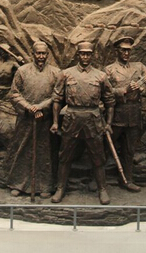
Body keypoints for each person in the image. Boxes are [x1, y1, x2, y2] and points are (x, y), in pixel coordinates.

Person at [50, 41, 115, 205]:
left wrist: (108, 123)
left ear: (92, 55)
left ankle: (102, 189)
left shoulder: (101, 76)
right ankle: (60, 188)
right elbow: (57, 100)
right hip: (72, 118)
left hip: (93, 119)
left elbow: (110, 101)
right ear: (78, 55)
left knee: (98, 156)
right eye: (82, 53)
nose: (85, 56)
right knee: (65, 156)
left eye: (88, 54)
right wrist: (55, 122)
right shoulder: (66, 74)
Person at [4, 42, 60, 198]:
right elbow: (14, 94)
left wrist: (41, 107)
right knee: (23, 149)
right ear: (33, 54)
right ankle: (18, 184)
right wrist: (28, 107)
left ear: (47, 55)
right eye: (38, 53)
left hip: (45, 119)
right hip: (26, 119)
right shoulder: (22, 71)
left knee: (45, 152)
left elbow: (57, 96)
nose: (41, 56)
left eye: (43, 53)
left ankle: (45, 186)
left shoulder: (55, 73)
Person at [104, 37, 146, 192]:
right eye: (123, 50)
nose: (126, 53)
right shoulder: (109, 70)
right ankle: (98, 179)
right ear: (117, 51)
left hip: (133, 113)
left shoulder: (139, 67)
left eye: (129, 50)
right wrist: (124, 90)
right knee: (105, 147)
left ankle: (127, 180)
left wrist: (143, 88)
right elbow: (106, 92)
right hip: (116, 113)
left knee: (129, 149)